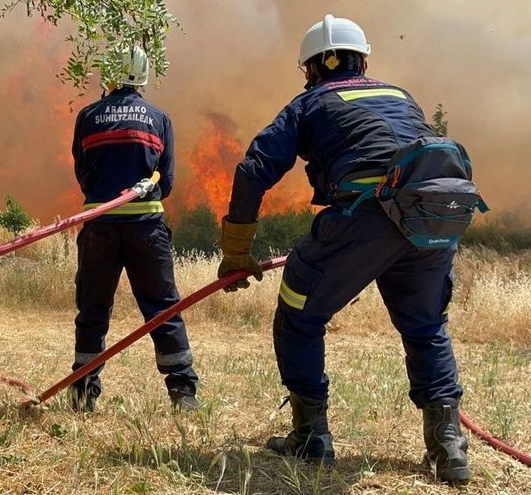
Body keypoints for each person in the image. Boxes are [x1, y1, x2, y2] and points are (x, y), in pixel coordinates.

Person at [217, 15, 470, 482]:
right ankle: (449, 448)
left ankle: (312, 439)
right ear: (365, 60)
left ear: (310, 69)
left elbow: (254, 169)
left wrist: (236, 249)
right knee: (425, 325)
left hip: (364, 217)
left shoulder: (309, 102)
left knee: (298, 312)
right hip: (429, 216)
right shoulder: (399, 95)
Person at [69, 46, 200, 413]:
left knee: (93, 308)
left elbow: (82, 173)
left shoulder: (88, 116)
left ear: (108, 74)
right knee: (162, 308)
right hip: (147, 229)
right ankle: (182, 392)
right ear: (144, 77)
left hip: (100, 228)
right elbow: (168, 180)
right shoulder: (159, 118)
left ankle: (82, 391)